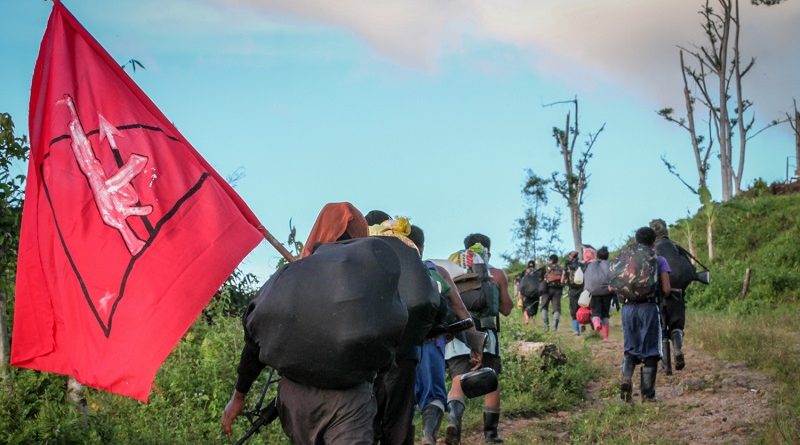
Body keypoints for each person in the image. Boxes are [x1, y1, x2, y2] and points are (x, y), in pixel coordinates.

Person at [221, 202, 376, 444]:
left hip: (296, 399)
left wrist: (239, 396)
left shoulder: (290, 277)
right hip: (349, 398)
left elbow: (256, 338)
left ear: (319, 230)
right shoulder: (368, 280)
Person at [407, 225, 483, 445]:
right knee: (434, 396)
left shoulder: (390, 270)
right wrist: (475, 343)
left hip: (399, 348)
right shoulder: (436, 271)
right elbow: (459, 308)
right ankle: (428, 435)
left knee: (402, 403)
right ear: (422, 247)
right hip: (432, 343)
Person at [444, 233, 513, 444]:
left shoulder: (451, 272)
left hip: (458, 334)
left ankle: (453, 421)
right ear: (488, 251)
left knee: (457, 380)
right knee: (491, 382)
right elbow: (506, 308)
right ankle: (491, 435)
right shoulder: (496, 274)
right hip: (486, 334)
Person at [613, 227, 671, 403]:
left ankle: (626, 380)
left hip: (627, 308)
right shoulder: (658, 259)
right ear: (654, 242)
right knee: (651, 351)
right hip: (648, 308)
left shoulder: (624, 258)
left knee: (630, 349)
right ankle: (648, 395)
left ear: (636, 240)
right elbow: (667, 289)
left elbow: (612, 284)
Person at [650, 218, 691, 373]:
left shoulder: (650, 252)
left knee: (660, 328)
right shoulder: (676, 247)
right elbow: (689, 271)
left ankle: (665, 363)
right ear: (666, 230)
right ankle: (678, 349)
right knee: (677, 325)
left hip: (657, 296)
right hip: (677, 294)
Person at [539, 254, 564, 332]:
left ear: (551, 260)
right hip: (558, 290)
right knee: (557, 309)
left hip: (547, 289)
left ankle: (546, 326)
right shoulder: (561, 268)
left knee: (544, 307)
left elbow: (540, 278)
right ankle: (555, 328)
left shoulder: (546, 268)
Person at [563, 251, 584, 335]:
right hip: (582, 289)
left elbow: (563, 279)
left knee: (573, 310)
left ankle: (576, 330)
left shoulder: (567, 266)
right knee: (582, 307)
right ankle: (583, 324)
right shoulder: (582, 265)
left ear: (571, 257)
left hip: (572, 290)